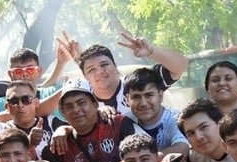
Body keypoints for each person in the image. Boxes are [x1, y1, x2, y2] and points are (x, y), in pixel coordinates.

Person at [59, 32, 188, 115]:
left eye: (104, 65)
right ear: (85, 76)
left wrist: (151, 51)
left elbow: (180, 67)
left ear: (116, 67)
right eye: (91, 70)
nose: (99, 72)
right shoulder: (82, 100)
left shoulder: (135, 83)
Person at [123, 67, 189, 157]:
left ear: (161, 96)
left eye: (149, 95)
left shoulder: (176, 119)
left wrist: (147, 159)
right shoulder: (125, 121)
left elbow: (182, 148)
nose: (143, 103)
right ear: (127, 99)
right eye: (136, 97)